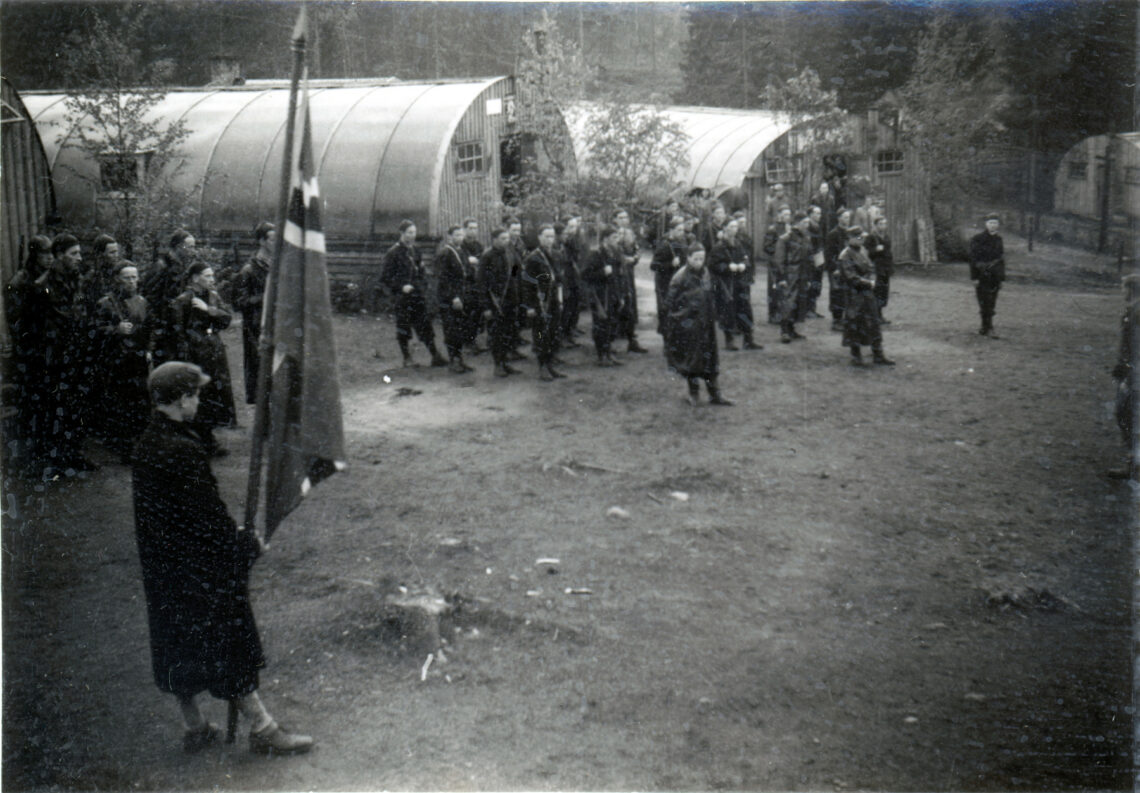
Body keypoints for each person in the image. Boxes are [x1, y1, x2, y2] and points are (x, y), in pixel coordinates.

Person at [132, 361, 313, 756]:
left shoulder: (147, 442)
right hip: (199, 569)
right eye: (195, 394)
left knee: (177, 641)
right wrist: (246, 546)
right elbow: (208, 519)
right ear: (183, 399)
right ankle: (263, 728)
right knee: (229, 638)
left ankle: (194, 724)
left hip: (165, 569)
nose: (198, 401)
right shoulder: (182, 450)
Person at [28, 233, 97, 475]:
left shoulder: (75, 279)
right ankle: (56, 460)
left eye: (79, 253)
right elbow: (68, 317)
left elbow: (83, 313)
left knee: (76, 407)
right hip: (54, 358)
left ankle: (74, 454)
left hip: (74, 354)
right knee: (56, 408)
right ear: (58, 256)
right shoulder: (44, 286)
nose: (79, 258)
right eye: (73, 254)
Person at [169, 262, 237, 455]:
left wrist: (209, 310)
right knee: (197, 395)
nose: (212, 279)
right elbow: (177, 331)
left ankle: (207, 439)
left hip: (213, 352)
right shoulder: (183, 300)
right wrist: (185, 356)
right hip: (195, 353)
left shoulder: (213, 297)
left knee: (214, 394)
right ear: (195, 278)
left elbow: (227, 319)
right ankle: (198, 441)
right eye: (207, 276)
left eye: (212, 276)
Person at [5, 235, 54, 473]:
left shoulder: (45, 277)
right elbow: (17, 316)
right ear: (35, 254)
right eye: (45, 254)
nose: (50, 258)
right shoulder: (21, 279)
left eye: (51, 254)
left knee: (45, 401)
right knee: (30, 402)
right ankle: (27, 457)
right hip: (29, 350)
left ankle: (42, 451)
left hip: (45, 347)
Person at [94, 262, 151, 460]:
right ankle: (122, 445)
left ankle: (139, 442)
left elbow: (149, 328)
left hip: (138, 360)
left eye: (135, 277)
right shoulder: (106, 303)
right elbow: (95, 330)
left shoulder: (142, 301)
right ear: (117, 279)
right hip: (116, 361)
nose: (132, 281)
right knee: (120, 403)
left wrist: (149, 348)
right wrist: (115, 330)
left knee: (140, 401)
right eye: (127, 277)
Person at [663, 244, 733, 407]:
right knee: (692, 359)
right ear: (688, 258)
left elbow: (711, 294)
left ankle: (715, 393)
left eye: (702, 258)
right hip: (689, 326)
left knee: (710, 358)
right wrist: (683, 318)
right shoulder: (679, 277)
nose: (699, 262)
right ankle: (693, 393)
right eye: (696, 259)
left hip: (706, 324)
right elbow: (669, 304)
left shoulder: (706, 274)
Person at [381, 220, 446, 367]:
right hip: (402, 297)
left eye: (414, 232)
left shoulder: (416, 250)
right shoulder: (393, 253)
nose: (412, 235)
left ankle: (435, 356)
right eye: (409, 232)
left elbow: (421, 270)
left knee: (425, 324)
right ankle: (407, 358)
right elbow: (385, 278)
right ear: (402, 233)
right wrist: (400, 287)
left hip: (417, 295)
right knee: (403, 327)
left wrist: (423, 285)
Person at [837, 226, 895, 367]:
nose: (861, 239)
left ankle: (878, 353)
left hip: (867, 293)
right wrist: (868, 282)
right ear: (850, 238)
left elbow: (870, 267)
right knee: (855, 323)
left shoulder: (862, 251)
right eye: (858, 237)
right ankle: (856, 355)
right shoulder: (845, 255)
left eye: (862, 236)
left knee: (873, 322)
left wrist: (871, 280)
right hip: (854, 294)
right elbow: (851, 277)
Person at [233, 222, 275, 404]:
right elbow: (239, 302)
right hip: (255, 325)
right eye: (273, 239)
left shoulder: (279, 265)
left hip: (277, 322)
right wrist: (266, 297)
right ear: (261, 241)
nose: (277, 242)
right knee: (258, 364)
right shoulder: (249, 270)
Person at [144, 229, 198, 366]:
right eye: (190, 247)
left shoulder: (182, 266)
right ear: (179, 247)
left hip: (177, 328)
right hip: (164, 330)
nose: (194, 251)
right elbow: (150, 300)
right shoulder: (161, 267)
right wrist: (156, 330)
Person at [522, 224, 566, 381]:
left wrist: (559, 298)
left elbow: (557, 277)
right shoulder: (533, 257)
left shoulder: (553, 254)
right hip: (539, 303)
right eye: (546, 236)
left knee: (553, 332)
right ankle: (542, 367)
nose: (550, 240)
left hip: (552, 300)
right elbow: (527, 284)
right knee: (541, 334)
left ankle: (550, 365)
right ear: (539, 237)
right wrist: (530, 306)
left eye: (552, 236)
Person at [710, 218, 760, 350]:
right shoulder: (719, 247)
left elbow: (746, 258)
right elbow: (713, 265)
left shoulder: (738, 244)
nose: (735, 229)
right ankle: (729, 340)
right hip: (726, 284)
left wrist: (744, 265)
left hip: (740, 282)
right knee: (728, 311)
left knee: (745, 309)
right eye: (732, 226)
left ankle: (748, 339)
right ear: (725, 228)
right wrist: (727, 267)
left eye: (736, 226)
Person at [479, 227, 522, 377]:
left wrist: (515, 286)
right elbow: (482, 283)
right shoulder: (487, 256)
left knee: (509, 332)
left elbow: (517, 270)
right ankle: (498, 364)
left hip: (510, 299)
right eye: (502, 239)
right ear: (494, 240)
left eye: (507, 238)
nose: (506, 241)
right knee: (496, 334)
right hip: (494, 301)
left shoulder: (510, 253)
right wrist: (486, 307)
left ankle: (505, 362)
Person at [581, 225, 625, 367]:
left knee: (610, 324)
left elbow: (618, 276)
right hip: (600, 296)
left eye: (617, 237)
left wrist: (620, 296)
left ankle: (608, 352)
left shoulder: (615, 253)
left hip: (612, 294)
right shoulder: (596, 254)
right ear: (605, 239)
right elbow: (585, 274)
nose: (617, 240)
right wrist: (602, 272)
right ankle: (601, 355)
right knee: (600, 325)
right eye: (614, 238)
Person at [435, 224, 476, 374]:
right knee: (451, 329)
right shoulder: (445, 253)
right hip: (450, 298)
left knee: (461, 328)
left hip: (462, 295)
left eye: (461, 235)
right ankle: (453, 360)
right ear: (450, 237)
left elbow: (466, 272)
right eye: (456, 235)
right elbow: (443, 279)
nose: (459, 238)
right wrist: (454, 297)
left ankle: (459, 359)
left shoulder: (461, 251)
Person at [772, 211, 812, 344]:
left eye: (807, 222)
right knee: (787, 301)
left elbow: (809, 257)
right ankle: (784, 331)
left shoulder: (806, 237)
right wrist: (781, 277)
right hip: (790, 274)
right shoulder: (786, 238)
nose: (807, 225)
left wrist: (809, 277)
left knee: (798, 302)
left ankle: (791, 328)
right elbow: (779, 260)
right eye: (805, 222)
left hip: (802, 273)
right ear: (798, 223)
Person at [614, 210, 647, 354]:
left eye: (626, 217)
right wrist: (622, 259)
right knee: (617, 301)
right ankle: (615, 334)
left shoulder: (630, 233)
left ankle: (630, 336)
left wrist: (634, 258)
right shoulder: (612, 233)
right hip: (616, 273)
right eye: (620, 218)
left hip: (628, 272)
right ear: (615, 219)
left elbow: (637, 249)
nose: (623, 220)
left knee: (629, 300)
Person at [969, 213, 1005, 338]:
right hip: (982, 274)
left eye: (995, 223)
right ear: (986, 224)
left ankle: (986, 327)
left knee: (992, 301)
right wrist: (974, 277)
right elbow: (973, 259)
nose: (992, 225)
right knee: (984, 301)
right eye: (990, 223)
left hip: (995, 275)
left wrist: (1001, 278)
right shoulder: (977, 239)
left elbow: (1001, 259)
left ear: (998, 225)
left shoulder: (999, 240)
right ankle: (987, 327)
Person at [651, 216, 687, 335]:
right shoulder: (664, 244)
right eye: (679, 230)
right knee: (665, 307)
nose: (682, 233)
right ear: (671, 230)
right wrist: (669, 264)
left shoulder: (681, 243)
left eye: (683, 230)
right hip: (664, 281)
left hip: (676, 280)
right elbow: (654, 265)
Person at [460, 217, 487, 354]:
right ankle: (468, 342)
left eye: (475, 228)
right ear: (464, 230)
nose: (473, 231)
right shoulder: (461, 246)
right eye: (470, 228)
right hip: (466, 284)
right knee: (467, 313)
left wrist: (475, 262)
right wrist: (469, 262)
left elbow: (482, 262)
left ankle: (473, 339)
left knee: (477, 313)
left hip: (477, 283)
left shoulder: (478, 246)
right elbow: (463, 263)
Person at [556, 217, 584, 348]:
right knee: (563, 310)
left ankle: (567, 333)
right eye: (564, 234)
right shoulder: (557, 248)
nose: (566, 236)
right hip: (563, 281)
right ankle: (561, 337)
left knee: (570, 306)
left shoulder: (566, 245)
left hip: (571, 279)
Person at [824, 209, 853, 331]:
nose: (847, 219)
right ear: (839, 218)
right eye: (845, 217)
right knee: (837, 293)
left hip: (848, 268)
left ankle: (846, 318)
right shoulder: (833, 234)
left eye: (848, 217)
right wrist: (835, 268)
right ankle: (836, 320)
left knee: (847, 293)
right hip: (836, 269)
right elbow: (829, 254)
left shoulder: (850, 233)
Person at [763, 205, 792, 324]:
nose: (787, 217)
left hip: (786, 262)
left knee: (785, 289)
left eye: (789, 215)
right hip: (774, 263)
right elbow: (767, 247)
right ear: (779, 215)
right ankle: (773, 314)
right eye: (785, 214)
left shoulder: (789, 228)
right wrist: (780, 243)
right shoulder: (773, 229)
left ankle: (783, 313)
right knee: (774, 289)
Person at [867, 215, 894, 324]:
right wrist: (875, 250)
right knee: (876, 291)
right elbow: (866, 252)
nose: (883, 226)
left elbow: (889, 252)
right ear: (875, 225)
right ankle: (874, 315)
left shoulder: (886, 236)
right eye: (880, 224)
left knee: (884, 291)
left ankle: (880, 314)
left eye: (884, 224)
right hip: (877, 267)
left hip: (885, 267)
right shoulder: (872, 237)